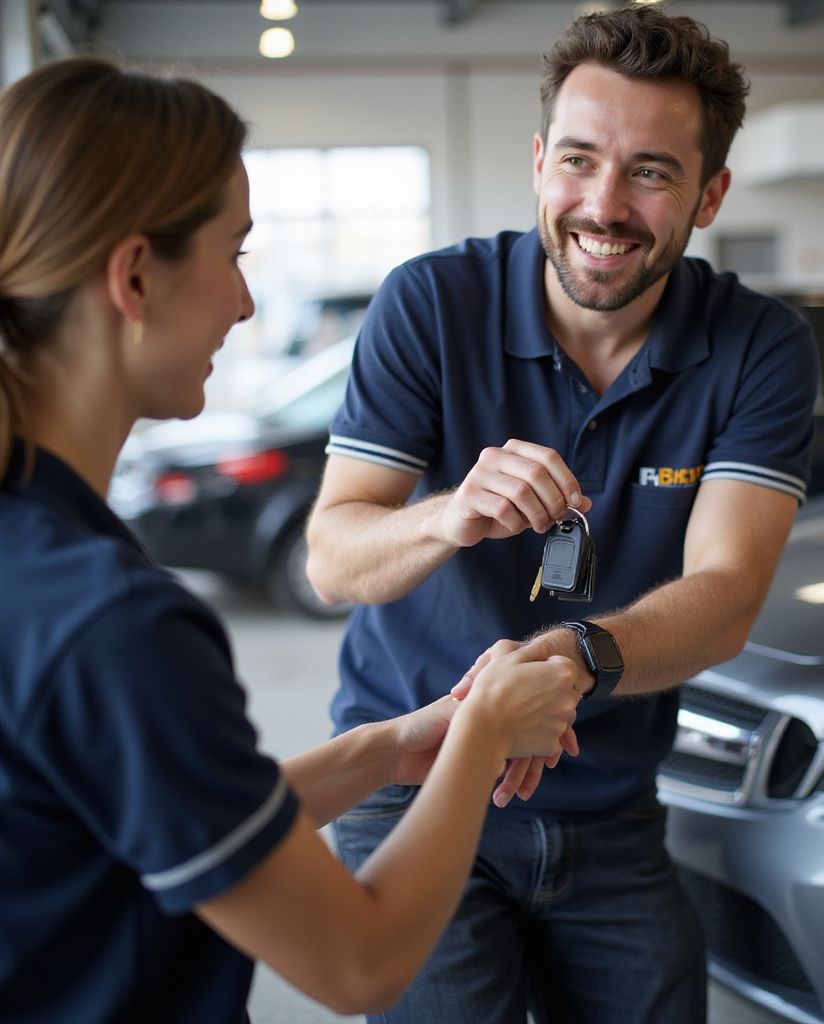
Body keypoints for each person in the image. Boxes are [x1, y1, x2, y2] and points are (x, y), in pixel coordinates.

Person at [0, 56, 582, 1024]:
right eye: (234, 254)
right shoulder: (115, 623)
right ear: (136, 275)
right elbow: (359, 960)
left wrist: (388, 748)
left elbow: (153, 801)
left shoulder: (39, 557)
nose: (246, 305)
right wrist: (482, 733)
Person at [306, 5, 818, 1024]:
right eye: (578, 160)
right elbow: (333, 557)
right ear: (539, 160)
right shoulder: (429, 303)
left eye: (651, 172)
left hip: (607, 802)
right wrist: (441, 517)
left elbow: (725, 597)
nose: (604, 204)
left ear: (708, 194)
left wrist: (570, 663)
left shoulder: (759, 346)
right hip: (415, 777)